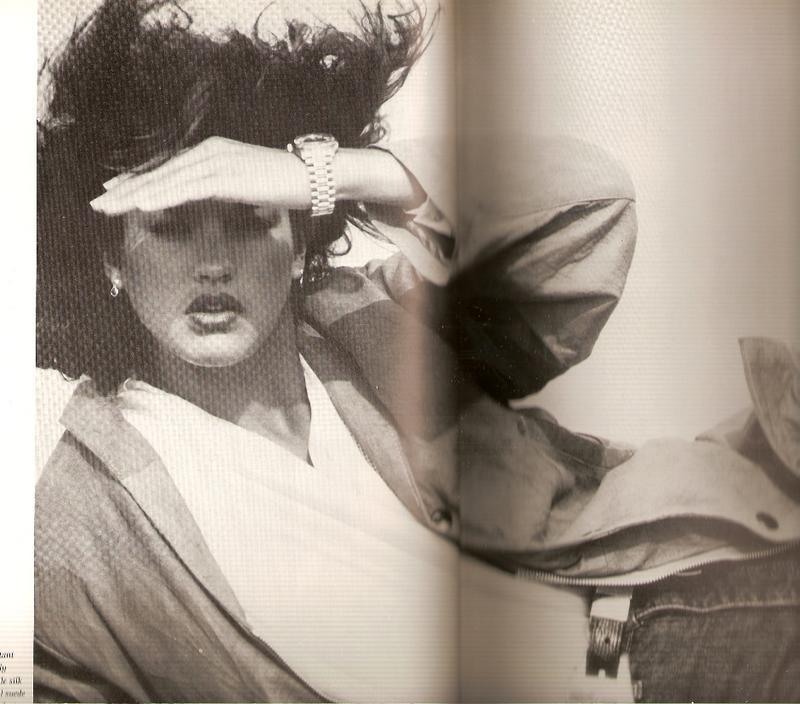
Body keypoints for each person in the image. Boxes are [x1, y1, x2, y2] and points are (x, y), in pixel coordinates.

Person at [35, 0, 800, 702]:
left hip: (679, 627)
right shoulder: (74, 524)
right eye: (170, 226)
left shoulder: (378, 319)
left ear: (299, 245)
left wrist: (323, 172)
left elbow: (593, 208)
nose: (212, 264)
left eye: (249, 219)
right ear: (111, 259)